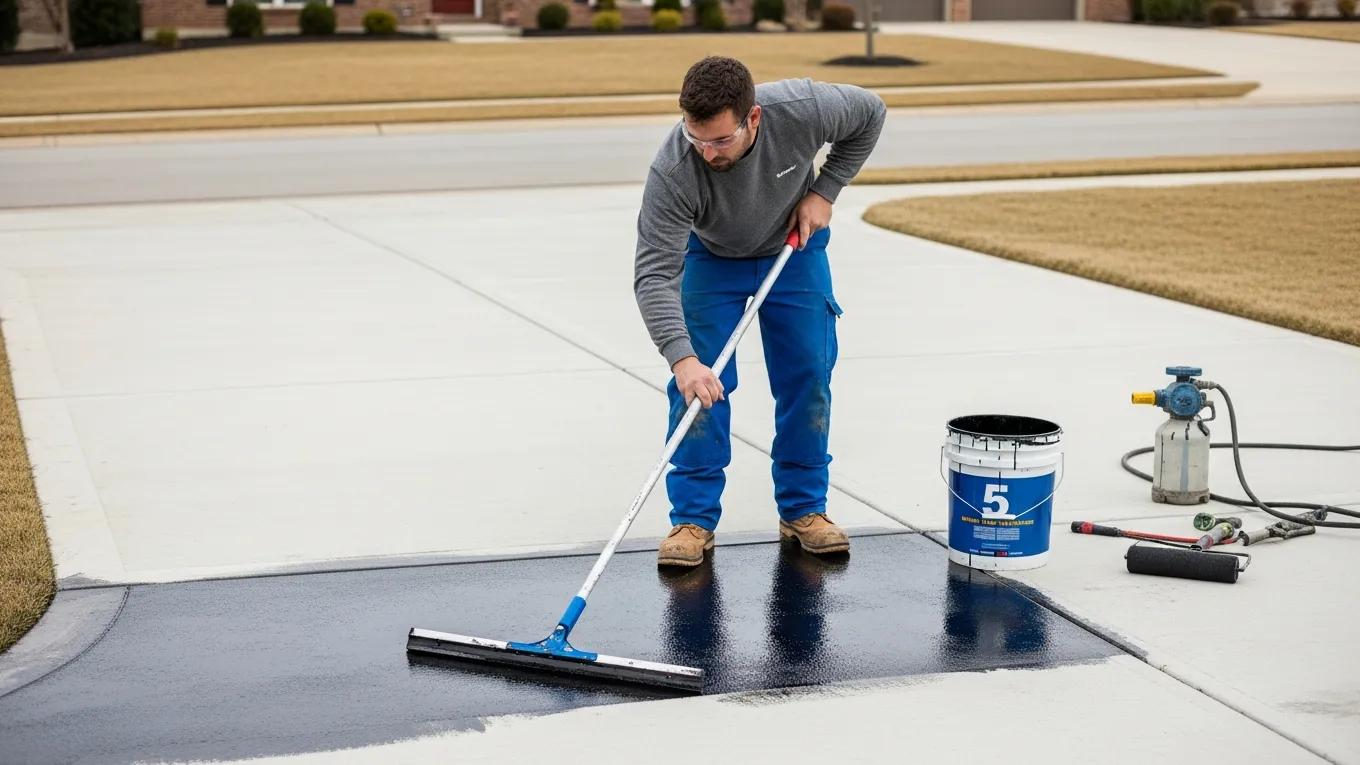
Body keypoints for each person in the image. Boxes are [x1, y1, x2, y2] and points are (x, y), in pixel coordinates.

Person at [633, 56, 886, 568]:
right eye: (696, 137)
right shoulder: (674, 168)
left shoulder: (803, 108)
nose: (707, 151)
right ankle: (693, 520)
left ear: (754, 119)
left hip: (793, 250)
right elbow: (655, 275)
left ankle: (803, 510)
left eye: (721, 140)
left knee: (808, 376)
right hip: (711, 260)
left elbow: (871, 113)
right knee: (700, 387)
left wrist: (825, 190)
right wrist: (682, 360)